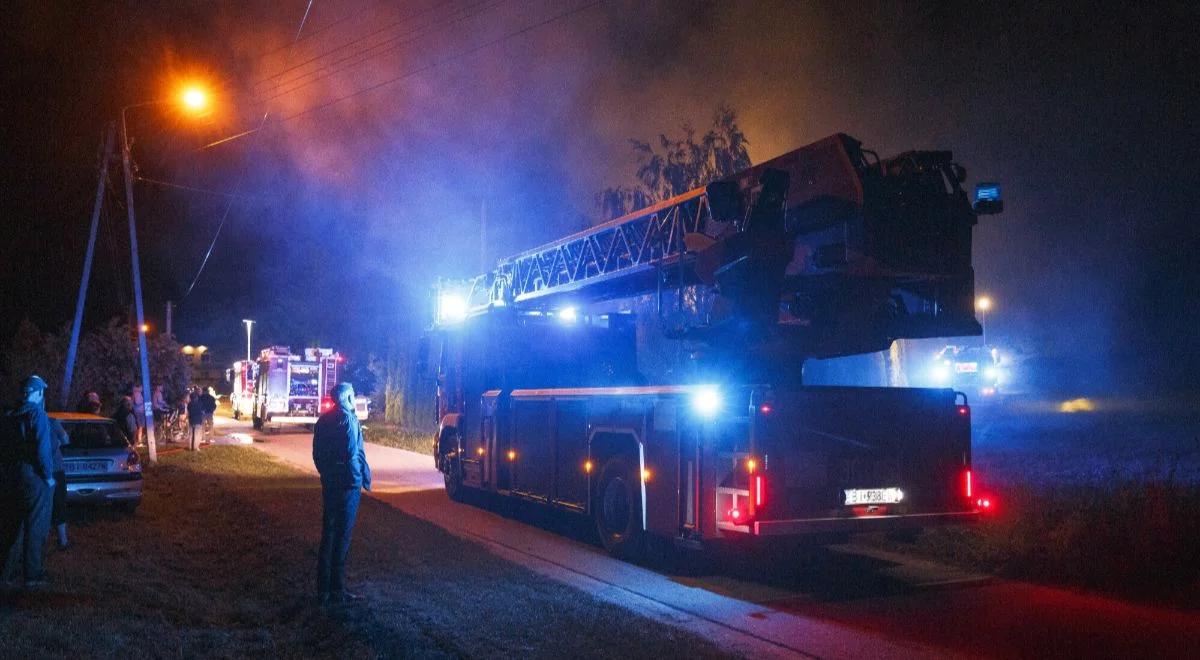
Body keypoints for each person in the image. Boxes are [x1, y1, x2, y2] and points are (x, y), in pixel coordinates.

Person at [312, 382, 371, 606]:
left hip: (331, 484)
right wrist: (357, 478)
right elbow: (350, 453)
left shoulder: (323, 421)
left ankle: (324, 590)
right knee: (342, 537)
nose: (355, 400)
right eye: (353, 396)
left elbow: (317, 454)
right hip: (347, 485)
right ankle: (337, 589)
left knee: (329, 534)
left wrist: (327, 474)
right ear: (346, 398)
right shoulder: (348, 420)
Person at [0, 375, 56, 588]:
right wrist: (49, 476)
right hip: (34, 477)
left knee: (13, 524)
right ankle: (33, 574)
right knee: (36, 525)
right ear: (39, 393)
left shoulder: (10, 415)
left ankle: (6, 572)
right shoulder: (37, 415)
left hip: (13, 475)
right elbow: (43, 450)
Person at [48, 418, 69, 550]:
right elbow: (66, 440)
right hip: (56, 469)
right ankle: (63, 540)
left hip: (38, 470)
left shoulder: (25, 420)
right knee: (59, 503)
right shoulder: (52, 422)